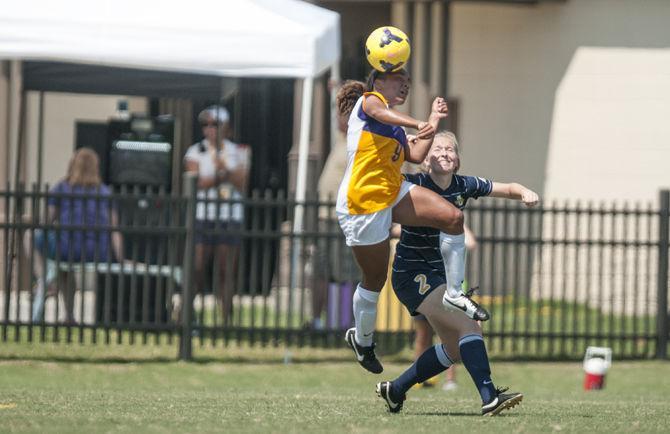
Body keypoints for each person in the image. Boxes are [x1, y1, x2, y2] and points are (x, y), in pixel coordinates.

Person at [375, 130, 539, 416]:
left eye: (449, 149)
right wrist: (406, 143)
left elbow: (507, 187)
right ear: (425, 160)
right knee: (469, 325)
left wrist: (525, 191)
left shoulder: (464, 185)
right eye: (436, 149)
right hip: (412, 274)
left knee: (454, 348)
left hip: (440, 276)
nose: (444, 153)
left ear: (458, 159)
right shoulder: (414, 183)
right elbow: (386, 174)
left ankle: (396, 389)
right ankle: (489, 397)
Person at [336, 70, 485, 374]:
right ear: (377, 82)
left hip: (393, 191)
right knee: (375, 280)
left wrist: (433, 119)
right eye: (397, 78)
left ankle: (455, 293)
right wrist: (418, 122)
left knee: (453, 217)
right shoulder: (369, 102)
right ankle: (362, 341)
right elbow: (380, 112)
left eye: (406, 79)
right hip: (363, 202)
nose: (405, 83)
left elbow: (417, 155)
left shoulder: (392, 125)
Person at [27, 148, 124, 323]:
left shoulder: (62, 188)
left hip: (67, 249)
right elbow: (114, 229)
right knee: (66, 266)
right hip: (98, 252)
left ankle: (44, 279)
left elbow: (45, 223)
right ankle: (69, 315)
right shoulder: (104, 192)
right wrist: (121, 258)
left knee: (32, 236)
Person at [184, 105, 250, 323]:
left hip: (230, 216)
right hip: (204, 214)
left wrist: (223, 171)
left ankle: (226, 319)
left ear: (226, 127)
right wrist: (223, 175)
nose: (209, 129)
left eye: (215, 124)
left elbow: (242, 182)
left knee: (226, 269)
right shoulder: (195, 151)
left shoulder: (238, 150)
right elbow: (196, 182)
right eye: (206, 124)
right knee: (197, 267)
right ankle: (187, 314)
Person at [412, 225, 478, 392]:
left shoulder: (453, 223)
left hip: (450, 288)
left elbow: (471, 243)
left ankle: (450, 380)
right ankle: (418, 377)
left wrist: (458, 225)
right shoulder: (423, 222)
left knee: (449, 335)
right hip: (425, 287)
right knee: (423, 335)